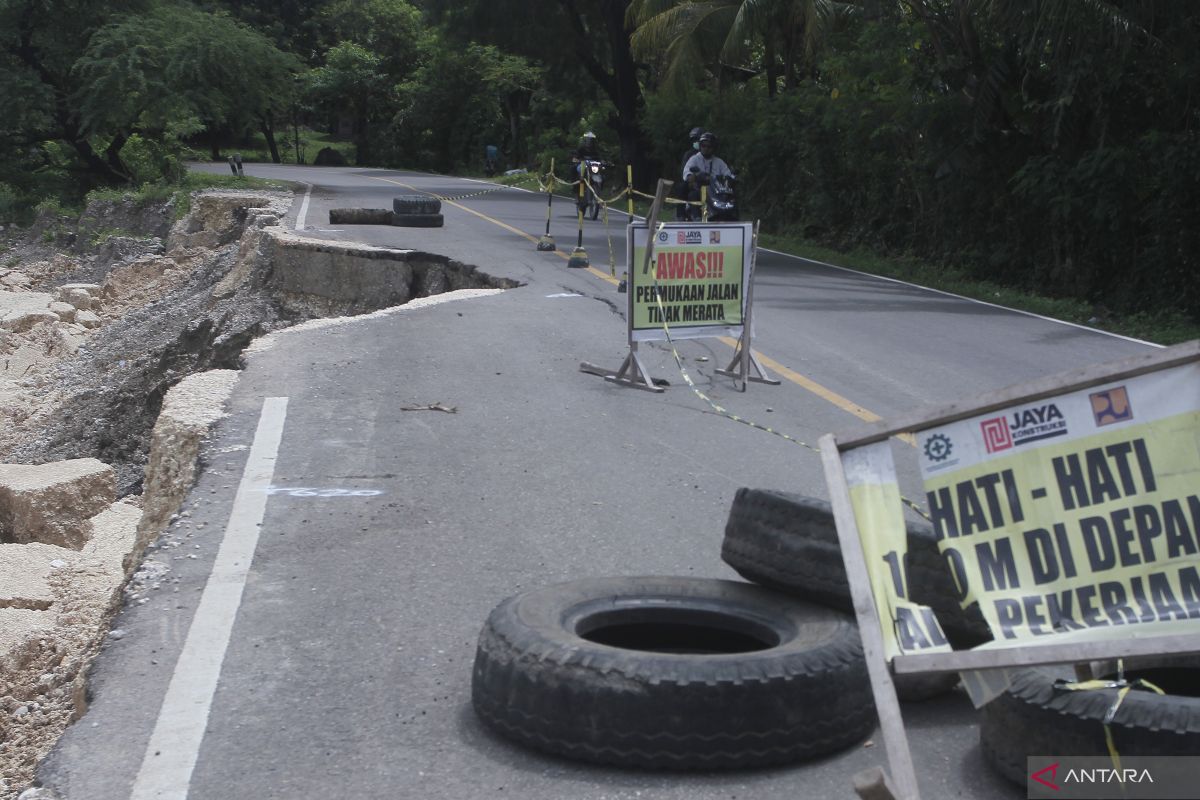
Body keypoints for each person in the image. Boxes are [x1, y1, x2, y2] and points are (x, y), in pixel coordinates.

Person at [682, 132, 732, 214]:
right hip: (700, 189)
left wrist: (729, 179)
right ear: (700, 146)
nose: (706, 148)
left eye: (709, 146)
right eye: (703, 146)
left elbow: (727, 174)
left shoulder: (719, 162)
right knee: (693, 195)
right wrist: (695, 176)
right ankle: (695, 217)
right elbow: (687, 173)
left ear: (714, 148)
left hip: (717, 192)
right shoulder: (694, 159)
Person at [676, 126, 704, 220]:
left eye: (697, 140)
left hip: (708, 183)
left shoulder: (712, 156)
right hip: (693, 182)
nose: (695, 142)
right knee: (682, 187)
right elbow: (685, 171)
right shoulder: (689, 155)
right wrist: (690, 178)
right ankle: (680, 215)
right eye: (693, 140)